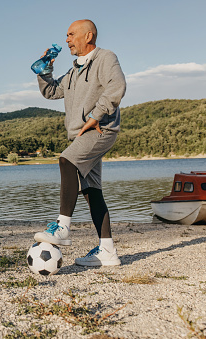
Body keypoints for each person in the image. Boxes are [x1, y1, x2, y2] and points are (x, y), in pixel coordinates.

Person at [33, 19, 126, 266]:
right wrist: (44, 72)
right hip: (81, 136)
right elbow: (52, 91)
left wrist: (97, 114)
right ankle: (107, 251)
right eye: (66, 35)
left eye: (71, 34)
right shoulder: (73, 71)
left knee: (66, 160)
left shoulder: (106, 58)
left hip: (101, 129)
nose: (67, 40)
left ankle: (63, 227)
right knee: (92, 192)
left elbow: (117, 86)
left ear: (89, 36)